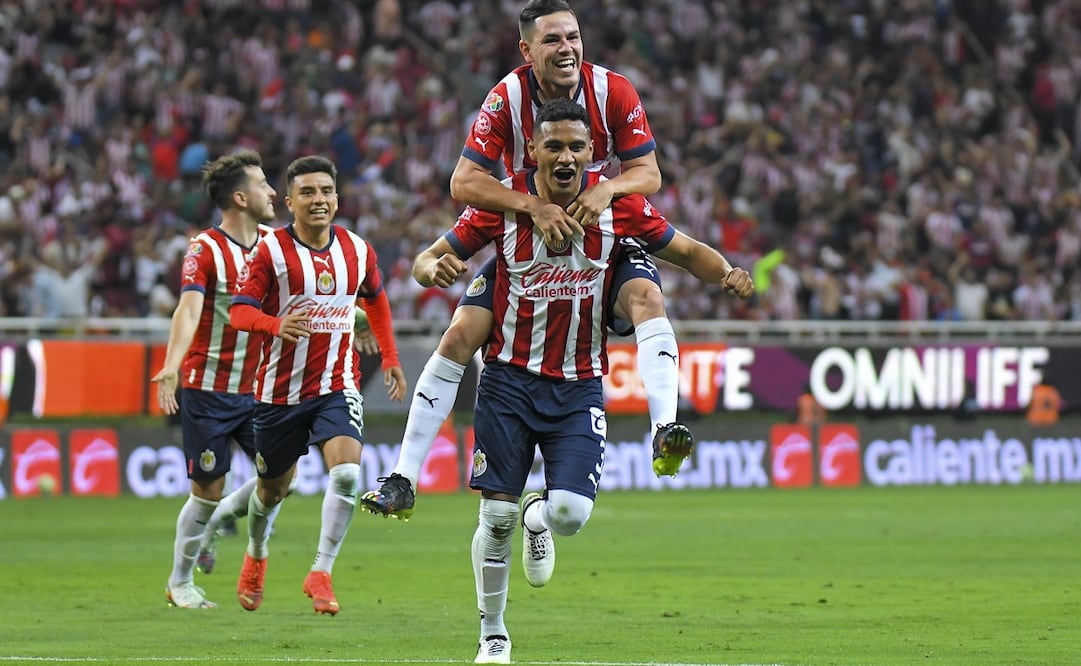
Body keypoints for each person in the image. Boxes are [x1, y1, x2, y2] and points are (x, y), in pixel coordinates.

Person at [414, 98, 754, 663]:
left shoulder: (617, 208)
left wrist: (728, 274)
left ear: (593, 152)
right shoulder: (503, 205)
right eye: (554, 145)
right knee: (492, 516)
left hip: (578, 385)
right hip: (509, 381)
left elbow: (685, 249)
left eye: (576, 146)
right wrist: (433, 270)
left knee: (569, 514)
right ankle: (492, 634)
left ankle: (538, 515)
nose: (566, 155)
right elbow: (431, 259)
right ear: (534, 152)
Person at [362, 0, 691, 520]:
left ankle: (664, 428)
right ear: (526, 50)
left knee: (648, 295)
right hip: (525, 238)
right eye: (553, 40)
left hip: (599, 233)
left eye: (573, 37)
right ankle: (403, 478)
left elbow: (648, 174)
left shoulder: (614, 90)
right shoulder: (506, 97)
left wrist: (608, 193)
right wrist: (532, 206)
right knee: (459, 334)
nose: (567, 49)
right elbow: (463, 182)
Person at [228, 155, 407, 615]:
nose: (318, 200)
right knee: (271, 492)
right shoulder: (270, 252)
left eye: (325, 191)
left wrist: (389, 357)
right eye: (307, 193)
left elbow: (378, 302)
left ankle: (321, 572)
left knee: (347, 473)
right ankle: (257, 553)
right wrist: (274, 324)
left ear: (336, 197)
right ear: (289, 202)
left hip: (336, 383)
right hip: (278, 395)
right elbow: (239, 311)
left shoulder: (357, 250)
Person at [151, 149, 276, 609]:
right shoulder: (205, 249)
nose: (273, 192)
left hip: (261, 388)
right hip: (209, 388)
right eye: (263, 184)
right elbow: (189, 308)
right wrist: (171, 364)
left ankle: (221, 520)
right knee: (206, 490)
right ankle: (180, 582)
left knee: (280, 476)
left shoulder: (274, 244)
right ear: (240, 198)